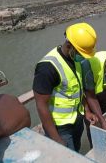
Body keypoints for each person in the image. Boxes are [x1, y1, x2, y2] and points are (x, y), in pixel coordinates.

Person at [32, 22, 98, 152]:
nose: (83, 58)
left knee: (75, 151)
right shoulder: (47, 68)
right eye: (81, 53)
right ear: (69, 46)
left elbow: (76, 90)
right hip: (60, 128)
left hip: (76, 120)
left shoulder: (75, 60)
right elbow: (41, 105)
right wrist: (56, 139)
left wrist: (86, 111)